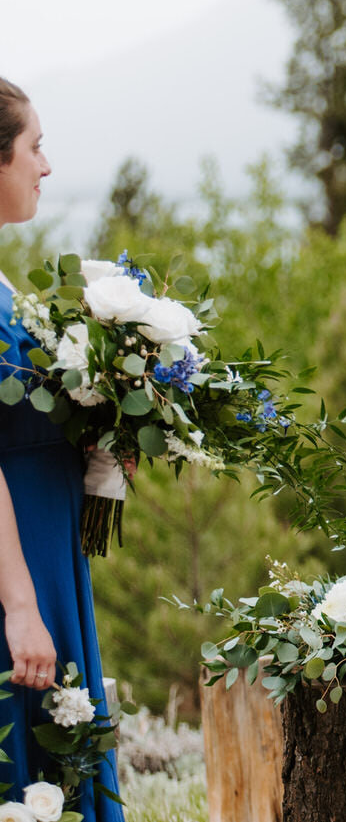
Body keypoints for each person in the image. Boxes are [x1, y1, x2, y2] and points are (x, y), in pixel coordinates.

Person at [0, 77, 125, 821]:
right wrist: (19, 605)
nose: (46, 166)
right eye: (34, 146)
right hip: (16, 560)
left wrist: (102, 434)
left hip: (49, 549)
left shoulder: (6, 285)